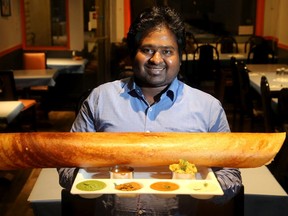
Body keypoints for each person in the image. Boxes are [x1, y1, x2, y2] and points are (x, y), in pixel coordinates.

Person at [58, 6, 242, 215]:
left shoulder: (208, 108)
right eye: (147, 50)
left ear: (180, 57)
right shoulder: (100, 99)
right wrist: (84, 181)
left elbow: (231, 174)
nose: (156, 59)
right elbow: (66, 163)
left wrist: (208, 188)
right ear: (132, 54)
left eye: (167, 51)